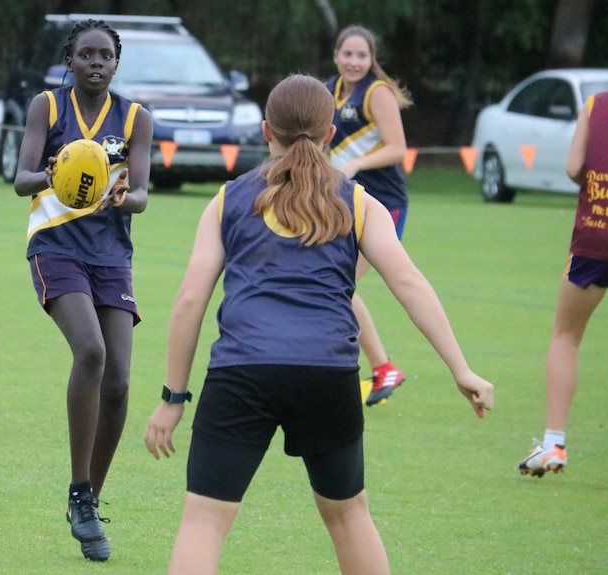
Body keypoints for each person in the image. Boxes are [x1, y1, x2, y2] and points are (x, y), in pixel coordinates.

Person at [143, 74, 494, 575]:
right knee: (349, 517)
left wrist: (173, 397)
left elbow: (189, 301)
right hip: (328, 374)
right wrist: (461, 369)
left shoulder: (228, 200)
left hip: (243, 372)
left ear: (267, 130)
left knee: (203, 522)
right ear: (331, 133)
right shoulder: (359, 202)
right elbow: (409, 284)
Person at [13, 18, 153, 561]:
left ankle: (89, 499)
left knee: (118, 378)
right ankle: (78, 486)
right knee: (90, 351)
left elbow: (141, 193)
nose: (96, 63)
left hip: (112, 255)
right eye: (86, 54)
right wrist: (51, 174)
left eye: (106, 56)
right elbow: (20, 178)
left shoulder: (136, 117)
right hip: (56, 246)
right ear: (69, 60)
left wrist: (123, 194)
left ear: (116, 63)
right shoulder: (46, 108)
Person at [518, 92, 608, 477]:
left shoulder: (595, 105)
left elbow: (575, 168)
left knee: (566, 336)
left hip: (595, 236)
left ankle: (553, 444)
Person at [325, 25, 413, 405]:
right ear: (336, 55)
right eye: (348, 54)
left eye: (362, 56)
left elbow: (398, 148)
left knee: (337, 285)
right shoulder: (330, 89)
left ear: (371, 59)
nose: (354, 62)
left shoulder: (377, 93)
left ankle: (379, 368)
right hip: (346, 204)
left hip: (384, 205)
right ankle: (379, 368)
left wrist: (357, 164)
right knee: (335, 286)